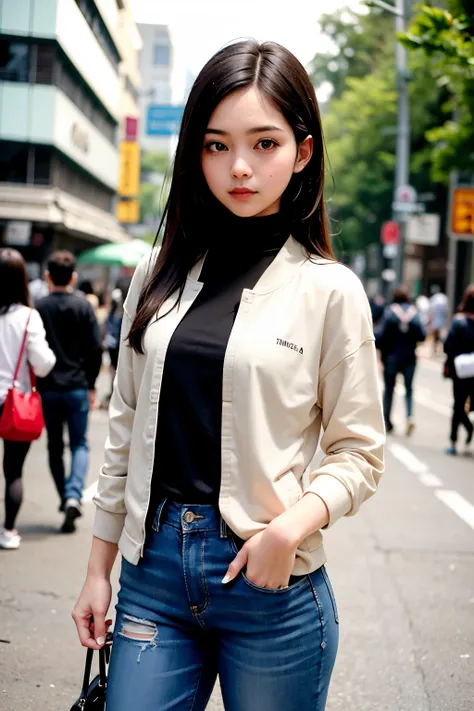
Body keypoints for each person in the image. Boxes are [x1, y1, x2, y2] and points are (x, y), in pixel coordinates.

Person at [72, 41, 385, 711]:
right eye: (216, 146)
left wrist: (287, 530)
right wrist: (98, 571)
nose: (239, 166)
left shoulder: (329, 291)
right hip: (151, 570)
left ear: (303, 151)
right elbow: (123, 434)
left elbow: (359, 451)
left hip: (269, 580)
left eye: (264, 143)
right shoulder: (157, 275)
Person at [36, 251, 102, 534]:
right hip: (76, 387)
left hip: (48, 389)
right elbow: (95, 349)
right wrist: (91, 383)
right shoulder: (83, 307)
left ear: (47, 276)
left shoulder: (38, 307)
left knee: (54, 445)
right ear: (73, 277)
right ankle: (74, 494)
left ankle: (65, 497)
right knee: (79, 444)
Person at [0, 249, 56, 549]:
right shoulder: (27, 317)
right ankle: (8, 531)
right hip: (14, 403)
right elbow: (44, 363)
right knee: (13, 471)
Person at [376, 285, 426, 436]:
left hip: (391, 357)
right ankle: (409, 416)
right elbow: (422, 335)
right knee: (409, 389)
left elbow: (380, 336)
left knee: (389, 389)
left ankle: (387, 421)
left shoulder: (390, 312)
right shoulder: (414, 313)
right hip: (409, 358)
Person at [443, 284, 474, 456]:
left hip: (460, 371)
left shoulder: (459, 322)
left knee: (458, 405)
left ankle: (454, 442)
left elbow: (448, 346)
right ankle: (469, 427)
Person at [429, 285, 449, 356]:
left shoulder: (433, 299)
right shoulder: (444, 298)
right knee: (441, 335)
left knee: (436, 336)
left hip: (436, 319)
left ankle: (435, 350)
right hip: (441, 319)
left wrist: (430, 322)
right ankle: (440, 349)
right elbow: (446, 311)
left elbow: (431, 311)